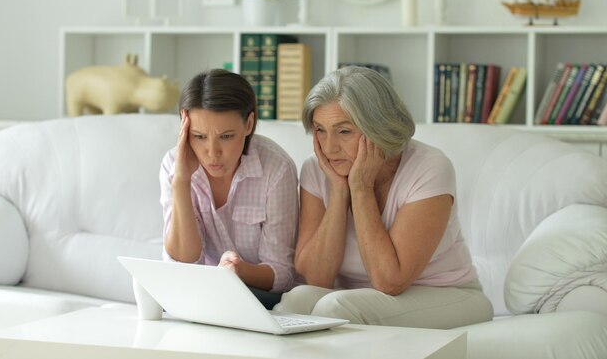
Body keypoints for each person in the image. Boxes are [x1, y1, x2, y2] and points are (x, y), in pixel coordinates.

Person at [273, 66, 493, 328]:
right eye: (320, 130)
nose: (329, 147)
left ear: (377, 128)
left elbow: (389, 281)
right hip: (360, 299)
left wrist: (361, 187)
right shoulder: (318, 169)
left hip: (449, 295)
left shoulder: (430, 167)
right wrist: (340, 191)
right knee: (296, 300)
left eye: (344, 131)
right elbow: (316, 278)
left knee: (336, 307)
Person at [160, 69, 299, 309]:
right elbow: (183, 263)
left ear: (249, 124)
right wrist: (181, 181)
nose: (212, 153)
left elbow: (282, 274)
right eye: (199, 136)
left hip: (259, 298)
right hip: (198, 296)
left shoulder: (276, 169)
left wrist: (237, 271)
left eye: (226, 136)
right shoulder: (174, 165)